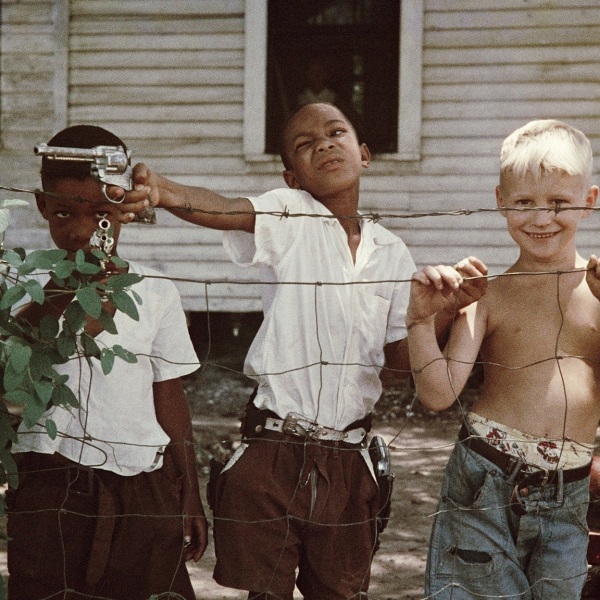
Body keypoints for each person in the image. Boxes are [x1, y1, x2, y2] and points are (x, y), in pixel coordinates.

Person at [112, 102, 486, 600]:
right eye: (306, 145)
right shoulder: (290, 216)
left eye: (336, 133)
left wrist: (440, 313)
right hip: (274, 448)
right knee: (266, 593)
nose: (325, 144)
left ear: (365, 154)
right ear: (291, 177)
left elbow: (397, 359)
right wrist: (166, 191)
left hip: (350, 458)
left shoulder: (391, 250)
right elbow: (226, 208)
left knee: (339, 591)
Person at [7, 125, 208, 600]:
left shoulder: (155, 290)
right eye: (62, 212)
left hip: (142, 483)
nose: (79, 229)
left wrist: (191, 491)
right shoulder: (24, 285)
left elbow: (169, 393)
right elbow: (11, 372)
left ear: (124, 210)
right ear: (40, 205)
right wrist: (48, 302)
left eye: (100, 213)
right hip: (51, 479)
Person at [406, 119, 600, 599]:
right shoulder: (487, 295)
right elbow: (437, 393)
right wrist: (420, 320)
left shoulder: (599, 292)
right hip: (484, 482)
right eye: (525, 203)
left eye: (558, 203)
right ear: (500, 201)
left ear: (590, 200)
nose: (541, 218)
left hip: (568, 492)